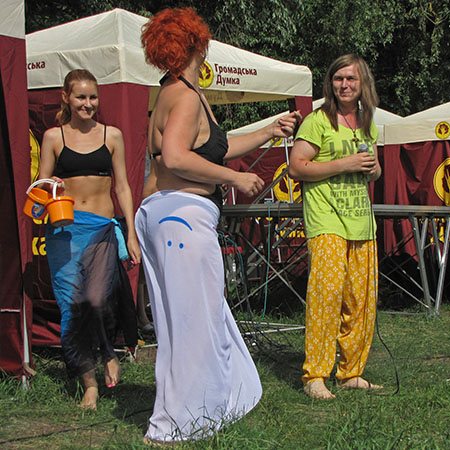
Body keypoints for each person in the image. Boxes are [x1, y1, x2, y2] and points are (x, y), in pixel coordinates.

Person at [136, 7, 301, 443]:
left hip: (169, 216)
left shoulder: (175, 91)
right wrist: (234, 178)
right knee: (194, 322)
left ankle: (202, 407)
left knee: (191, 318)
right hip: (182, 219)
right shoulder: (186, 96)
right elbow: (176, 157)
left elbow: (213, 147)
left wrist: (269, 130)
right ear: (199, 44)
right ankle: (179, 422)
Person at [38, 69, 141, 410]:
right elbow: (40, 186)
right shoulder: (53, 137)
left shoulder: (112, 135)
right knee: (71, 305)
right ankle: (89, 384)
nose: (88, 103)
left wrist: (131, 232)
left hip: (99, 228)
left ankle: (108, 352)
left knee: (96, 299)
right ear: (66, 98)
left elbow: (122, 186)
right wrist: (46, 193)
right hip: (64, 231)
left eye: (93, 97)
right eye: (80, 97)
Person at [289, 54, 382, 400]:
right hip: (326, 219)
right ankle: (315, 375)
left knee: (361, 300)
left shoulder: (368, 122)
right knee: (326, 297)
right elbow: (297, 167)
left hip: (361, 221)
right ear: (330, 83)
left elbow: (375, 170)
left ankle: (350, 372)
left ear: (362, 84)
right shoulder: (317, 121)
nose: (344, 85)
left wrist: (371, 168)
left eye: (351, 79)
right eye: (338, 78)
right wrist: (345, 163)